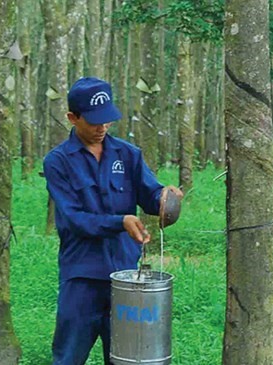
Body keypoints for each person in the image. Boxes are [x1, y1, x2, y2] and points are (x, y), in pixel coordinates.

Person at [43, 77, 182, 365]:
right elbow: (75, 220)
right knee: (68, 356)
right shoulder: (58, 162)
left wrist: (166, 197)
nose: (102, 128)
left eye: (107, 120)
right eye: (94, 121)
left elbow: (150, 194)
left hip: (125, 277)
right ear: (72, 117)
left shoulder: (128, 155)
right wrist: (121, 221)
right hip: (81, 276)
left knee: (127, 357)